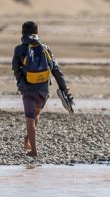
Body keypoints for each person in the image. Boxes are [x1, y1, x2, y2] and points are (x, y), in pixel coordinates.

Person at [12, 20, 72, 157]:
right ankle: (28, 139)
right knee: (36, 114)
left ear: (22, 33)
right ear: (37, 33)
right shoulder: (46, 48)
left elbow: (16, 68)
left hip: (28, 89)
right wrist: (64, 87)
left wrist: (20, 82)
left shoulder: (19, 49)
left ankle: (33, 151)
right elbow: (56, 70)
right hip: (43, 89)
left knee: (29, 118)